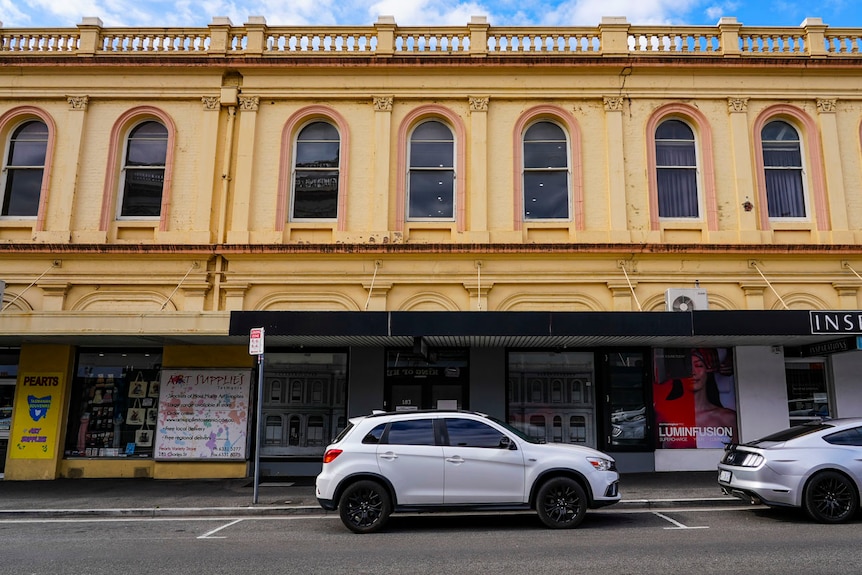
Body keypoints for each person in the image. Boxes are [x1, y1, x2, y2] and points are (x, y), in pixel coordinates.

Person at [654, 348, 737, 448]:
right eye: (687, 367)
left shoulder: (728, 418)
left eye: (699, 365)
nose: (693, 372)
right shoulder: (664, 415)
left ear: (708, 372)